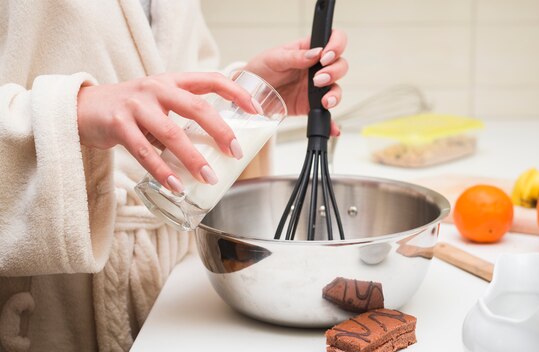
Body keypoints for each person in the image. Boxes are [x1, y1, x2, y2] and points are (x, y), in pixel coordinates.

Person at [0, 1, 347, 351]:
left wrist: (240, 97)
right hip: (51, 307)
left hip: (175, 291)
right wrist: (74, 112)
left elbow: (174, 87)